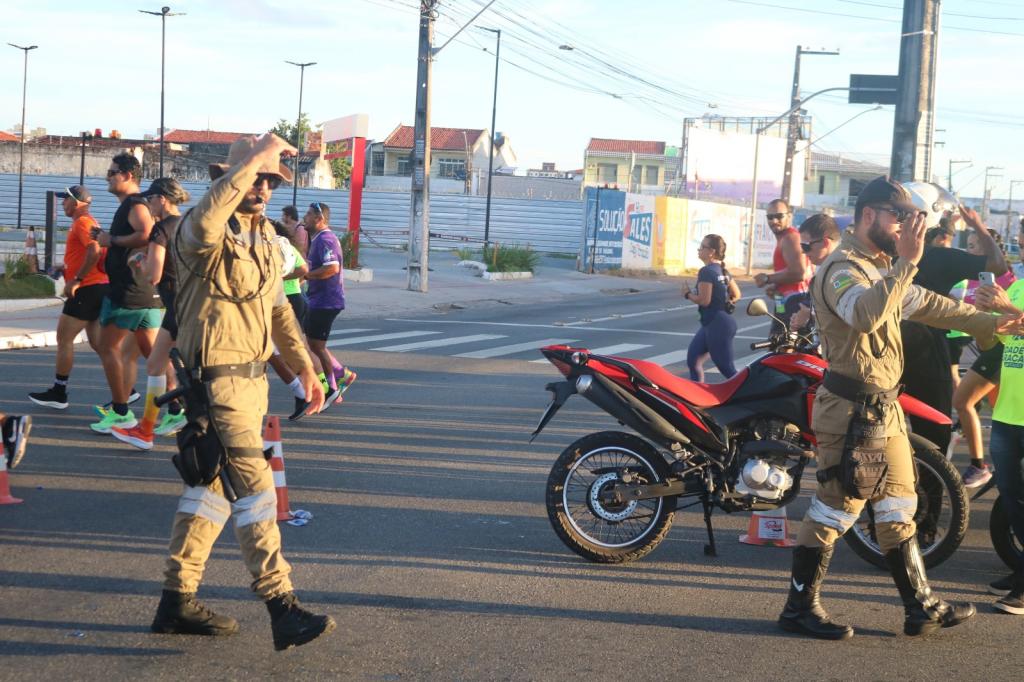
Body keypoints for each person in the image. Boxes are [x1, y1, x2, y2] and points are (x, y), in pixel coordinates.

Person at [777, 175, 1024, 640]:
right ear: (870, 214)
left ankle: (922, 606)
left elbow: (932, 306)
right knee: (838, 505)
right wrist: (907, 264)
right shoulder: (843, 268)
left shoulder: (879, 267)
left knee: (898, 505)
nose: (906, 231)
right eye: (900, 219)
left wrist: (996, 322)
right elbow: (864, 314)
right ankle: (798, 607)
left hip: (883, 413)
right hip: (851, 412)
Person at [150, 133, 332, 651]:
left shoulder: (265, 239)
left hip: (253, 383)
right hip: (217, 381)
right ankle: (282, 606)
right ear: (230, 179)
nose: (263, 187)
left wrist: (305, 369)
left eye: (271, 180)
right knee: (255, 492)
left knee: (209, 491)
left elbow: (277, 311)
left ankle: (176, 599)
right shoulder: (198, 230)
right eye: (256, 177)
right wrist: (252, 159)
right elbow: (208, 220)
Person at [899, 187, 1007, 455]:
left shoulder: (885, 251)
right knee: (933, 444)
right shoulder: (938, 257)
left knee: (883, 439)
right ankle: (928, 496)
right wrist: (979, 226)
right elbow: (998, 265)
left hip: (886, 351)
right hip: (928, 358)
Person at [112, 178, 191, 450]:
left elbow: (153, 275)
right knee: (164, 364)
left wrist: (140, 261)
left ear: (163, 199)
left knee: (167, 367)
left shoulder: (161, 230)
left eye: (151, 199)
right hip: (195, 302)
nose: (148, 205)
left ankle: (153, 426)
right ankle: (152, 426)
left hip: (175, 303)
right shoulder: (191, 223)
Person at [90, 152, 162, 434]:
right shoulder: (133, 203)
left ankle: (121, 412)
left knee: (108, 347)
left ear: (128, 175)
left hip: (128, 291)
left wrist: (112, 240)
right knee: (152, 354)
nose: (108, 176)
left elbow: (147, 234)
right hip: (141, 291)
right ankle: (179, 409)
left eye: (112, 171)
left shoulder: (135, 203)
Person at [28, 186, 107, 410]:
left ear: (78, 203)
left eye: (66, 200)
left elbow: (95, 251)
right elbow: (90, 252)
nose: (63, 203)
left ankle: (59, 392)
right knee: (100, 344)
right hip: (97, 287)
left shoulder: (82, 222)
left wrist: (77, 280)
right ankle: (126, 389)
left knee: (64, 339)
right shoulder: (89, 221)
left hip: (87, 288)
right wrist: (67, 268)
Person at [947, 230, 1016, 488]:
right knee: (987, 406)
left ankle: (980, 465)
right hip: (993, 346)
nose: (969, 251)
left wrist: (1001, 310)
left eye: (974, 246)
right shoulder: (973, 276)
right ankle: (985, 464)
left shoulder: (1006, 278)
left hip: (1004, 352)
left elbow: (1012, 320)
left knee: (964, 400)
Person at [973, 280, 1024, 613]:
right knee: (1012, 498)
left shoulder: (1013, 296)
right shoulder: (1018, 286)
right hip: (1007, 413)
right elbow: (993, 343)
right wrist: (983, 317)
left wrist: (1007, 309)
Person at [303, 201, 356, 405]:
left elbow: (332, 268)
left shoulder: (325, 239)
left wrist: (307, 275)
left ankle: (332, 389)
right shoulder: (317, 239)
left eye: (308, 215)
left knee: (318, 347)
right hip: (318, 299)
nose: (304, 218)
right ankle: (341, 374)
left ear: (319, 219)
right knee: (314, 344)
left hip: (326, 301)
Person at [682, 234, 740, 381]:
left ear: (711, 252)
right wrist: (726, 302)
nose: (698, 250)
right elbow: (737, 294)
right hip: (714, 323)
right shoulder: (721, 270)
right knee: (693, 360)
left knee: (728, 369)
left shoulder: (706, 271)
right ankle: (697, 397)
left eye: (702, 247)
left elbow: (704, 300)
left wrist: (687, 294)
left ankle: (751, 398)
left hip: (717, 325)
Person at [754, 199, 810, 329]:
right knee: (780, 344)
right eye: (770, 217)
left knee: (783, 346)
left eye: (779, 216)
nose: (774, 221)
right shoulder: (784, 238)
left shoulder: (790, 237)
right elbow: (790, 271)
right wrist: (776, 285)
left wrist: (767, 278)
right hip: (785, 300)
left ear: (789, 216)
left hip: (795, 301)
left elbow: (799, 273)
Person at [788, 214, 841, 330]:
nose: (803, 252)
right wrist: (800, 317)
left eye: (806, 246)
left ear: (826, 243)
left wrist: (810, 315)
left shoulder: (841, 272)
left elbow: (850, 315)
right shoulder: (823, 267)